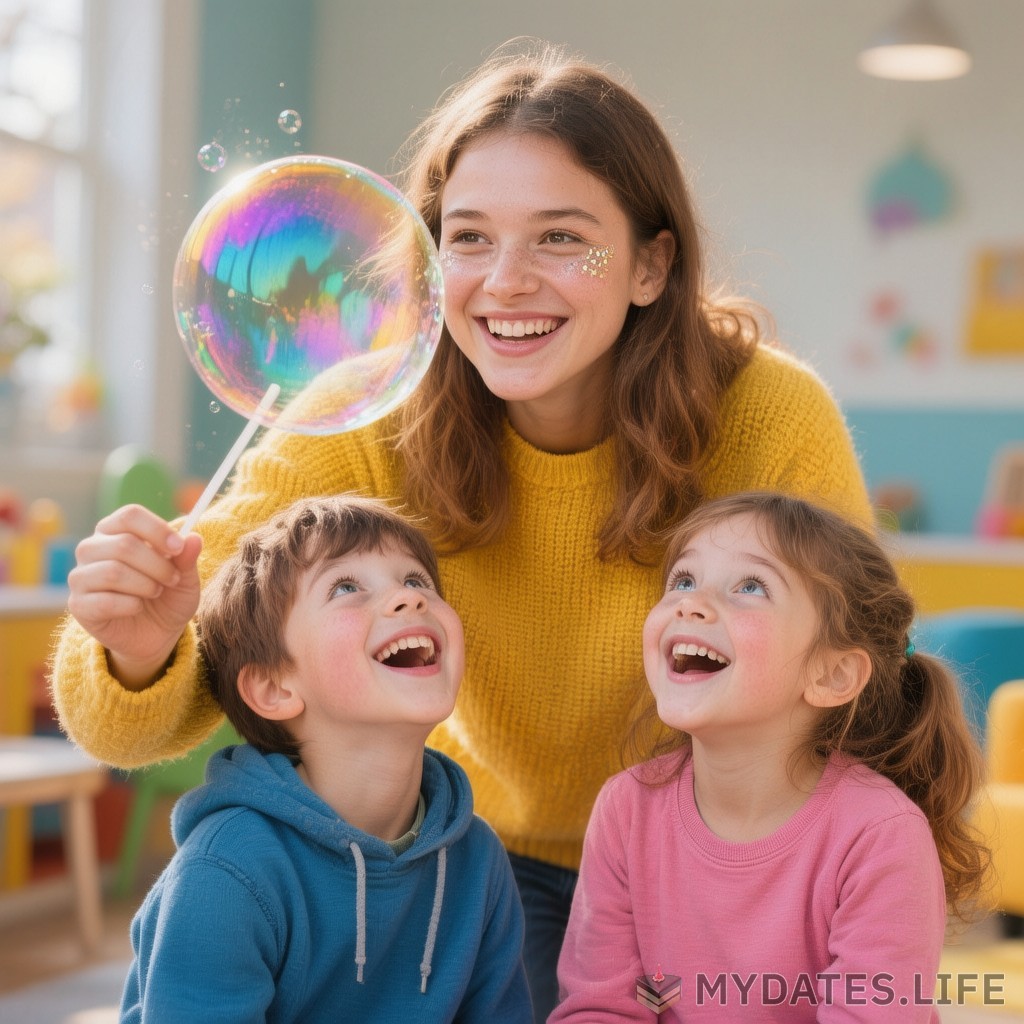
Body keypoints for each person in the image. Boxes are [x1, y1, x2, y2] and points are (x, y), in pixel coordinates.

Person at [51, 40, 873, 1020]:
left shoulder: (768, 413)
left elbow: (855, 689)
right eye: (469, 237)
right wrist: (139, 648)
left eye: (562, 238)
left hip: (715, 858)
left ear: (653, 263)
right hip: (491, 866)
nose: (505, 282)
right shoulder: (367, 414)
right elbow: (123, 723)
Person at [551, 492, 989, 1023]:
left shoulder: (880, 833)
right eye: (683, 581)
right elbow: (600, 1008)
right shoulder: (626, 808)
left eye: (750, 587)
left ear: (832, 675)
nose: (690, 603)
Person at [118, 494, 532, 1023]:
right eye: (346, 587)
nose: (409, 600)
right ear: (272, 688)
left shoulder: (477, 859)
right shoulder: (225, 873)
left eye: (416, 580)